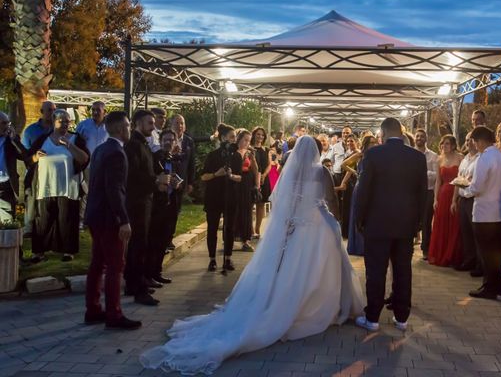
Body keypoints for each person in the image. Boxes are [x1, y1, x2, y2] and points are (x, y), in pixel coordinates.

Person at [140, 135, 364, 374]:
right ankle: (323, 305)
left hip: (297, 226)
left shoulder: (293, 172)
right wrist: (334, 219)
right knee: (321, 266)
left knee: (293, 269)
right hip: (319, 224)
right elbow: (330, 200)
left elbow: (284, 203)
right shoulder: (321, 172)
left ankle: (295, 302)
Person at [354, 117, 427, 331]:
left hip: (377, 223)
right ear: (402, 132)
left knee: (376, 270)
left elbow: (364, 191)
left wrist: (359, 219)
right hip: (406, 225)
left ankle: (373, 318)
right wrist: (419, 224)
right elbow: (422, 193)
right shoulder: (417, 157)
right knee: (403, 270)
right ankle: (402, 317)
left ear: (383, 133)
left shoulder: (374, 154)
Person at [84, 111, 141, 330]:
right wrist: (123, 220)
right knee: (116, 266)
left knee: (97, 263)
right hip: (109, 218)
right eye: (127, 125)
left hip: (95, 215)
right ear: (119, 128)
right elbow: (114, 189)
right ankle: (113, 314)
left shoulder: (100, 149)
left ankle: (93, 309)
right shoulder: (117, 152)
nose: (129, 129)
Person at [26, 109, 90, 262]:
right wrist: (35, 157)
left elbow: (85, 159)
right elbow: (28, 160)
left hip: (68, 187)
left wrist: (69, 145)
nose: (65, 124)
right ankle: (39, 252)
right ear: (54, 122)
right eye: (62, 121)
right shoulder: (43, 139)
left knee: (67, 219)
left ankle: (68, 251)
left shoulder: (75, 138)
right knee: (43, 220)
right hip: (45, 186)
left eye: (68, 121)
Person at [124, 109, 169, 306]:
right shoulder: (133, 146)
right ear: (137, 124)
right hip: (136, 203)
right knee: (138, 245)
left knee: (138, 245)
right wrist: (155, 180)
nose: (153, 127)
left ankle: (135, 283)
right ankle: (138, 288)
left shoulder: (143, 144)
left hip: (145, 201)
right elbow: (132, 175)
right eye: (149, 123)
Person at [467, 126, 501, 299]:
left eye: (474, 142)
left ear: (480, 141)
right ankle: (497, 284)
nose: (475, 145)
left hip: (484, 211)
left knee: (486, 251)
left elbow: (477, 187)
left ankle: (489, 287)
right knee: (497, 251)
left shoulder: (483, 158)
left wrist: (465, 189)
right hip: (499, 209)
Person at [201, 124, 240, 272]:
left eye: (235, 137)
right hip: (214, 196)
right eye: (231, 137)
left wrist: (231, 175)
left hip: (230, 196)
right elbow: (204, 176)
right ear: (223, 138)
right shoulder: (212, 156)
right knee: (212, 228)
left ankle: (228, 258)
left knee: (229, 228)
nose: (234, 139)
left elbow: (240, 178)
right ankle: (212, 259)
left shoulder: (236, 155)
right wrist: (216, 174)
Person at [147, 129, 182, 286]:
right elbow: (150, 179)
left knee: (165, 239)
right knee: (154, 240)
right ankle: (149, 274)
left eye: (171, 140)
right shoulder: (155, 158)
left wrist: (177, 184)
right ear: (160, 141)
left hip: (171, 202)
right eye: (165, 139)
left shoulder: (173, 159)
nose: (168, 142)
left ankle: (157, 271)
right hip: (157, 205)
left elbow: (176, 179)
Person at [428, 135, 464, 267]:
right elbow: (438, 181)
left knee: (454, 225)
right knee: (441, 224)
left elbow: (460, 179)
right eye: (442, 143)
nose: (444, 146)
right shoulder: (439, 159)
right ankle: (441, 254)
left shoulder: (460, 158)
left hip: (455, 193)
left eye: (447, 144)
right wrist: (435, 199)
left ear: (453, 145)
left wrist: (455, 199)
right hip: (443, 195)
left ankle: (452, 255)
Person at [21, 100, 56, 234]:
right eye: (49, 110)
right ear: (42, 112)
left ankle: (48, 227)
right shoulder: (31, 130)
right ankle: (29, 227)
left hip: (51, 171)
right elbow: (25, 153)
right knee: (31, 197)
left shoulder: (57, 129)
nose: (52, 113)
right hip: (34, 169)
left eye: (54, 110)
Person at [451, 132, 481, 274]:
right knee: (465, 232)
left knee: (476, 232)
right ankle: (469, 260)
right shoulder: (464, 159)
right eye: (466, 140)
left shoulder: (480, 159)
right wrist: (454, 200)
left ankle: (479, 264)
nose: (468, 142)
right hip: (462, 198)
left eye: (471, 140)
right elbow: (459, 178)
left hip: (473, 198)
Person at [76, 101, 109, 223]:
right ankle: (82, 219)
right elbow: (76, 141)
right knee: (85, 192)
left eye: (98, 110)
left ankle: (98, 217)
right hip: (87, 165)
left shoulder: (109, 127)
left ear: (104, 112)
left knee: (102, 192)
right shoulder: (83, 125)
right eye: (93, 110)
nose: (95, 112)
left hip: (104, 166)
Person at [346, 135, 377, 256]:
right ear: (366, 143)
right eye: (371, 142)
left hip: (372, 188)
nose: (374, 144)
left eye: (375, 142)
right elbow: (344, 164)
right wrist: (355, 172)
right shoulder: (360, 155)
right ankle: (358, 246)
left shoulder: (376, 155)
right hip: (360, 188)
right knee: (358, 215)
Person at [168, 114, 195, 249]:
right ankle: (164, 237)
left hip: (181, 180)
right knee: (165, 210)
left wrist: (190, 182)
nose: (180, 126)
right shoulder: (167, 139)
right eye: (177, 123)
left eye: (182, 123)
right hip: (167, 180)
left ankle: (169, 238)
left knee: (175, 210)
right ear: (171, 124)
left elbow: (191, 163)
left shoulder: (188, 141)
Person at [234, 129, 260, 252]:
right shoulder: (232, 151)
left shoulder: (250, 153)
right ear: (239, 139)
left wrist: (257, 185)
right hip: (234, 183)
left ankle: (246, 240)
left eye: (249, 141)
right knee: (235, 210)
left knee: (246, 211)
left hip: (246, 184)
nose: (247, 143)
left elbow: (255, 169)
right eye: (245, 140)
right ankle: (231, 237)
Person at [414, 129, 438, 259]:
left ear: (426, 139)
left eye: (422, 136)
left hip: (428, 191)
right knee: (412, 219)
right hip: (413, 192)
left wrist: (424, 173)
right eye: (417, 136)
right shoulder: (409, 154)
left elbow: (436, 176)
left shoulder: (433, 156)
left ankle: (426, 248)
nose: (419, 138)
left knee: (426, 220)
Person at [0, 113, 27, 222]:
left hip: (6, 184)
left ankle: (10, 236)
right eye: (4, 123)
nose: (7, 126)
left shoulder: (10, 140)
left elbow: (24, 155)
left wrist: (14, 140)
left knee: (10, 219)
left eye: (8, 123)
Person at [250, 127, 273, 239]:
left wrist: (264, 175)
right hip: (251, 179)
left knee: (261, 205)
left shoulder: (266, 150)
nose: (260, 137)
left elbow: (269, 165)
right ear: (254, 135)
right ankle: (250, 229)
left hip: (264, 179)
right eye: (258, 134)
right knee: (250, 204)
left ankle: (257, 229)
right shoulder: (250, 149)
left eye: (262, 135)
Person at [336, 134, 359, 238]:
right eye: (348, 141)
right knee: (345, 206)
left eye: (352, 141)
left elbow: (349, 171)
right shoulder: (350, 153)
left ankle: (348, 232)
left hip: (350, 183)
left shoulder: (357, 153)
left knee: (348, 207)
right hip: (348, 182)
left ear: (357, 142)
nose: (350, 143)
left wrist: (343, 183)